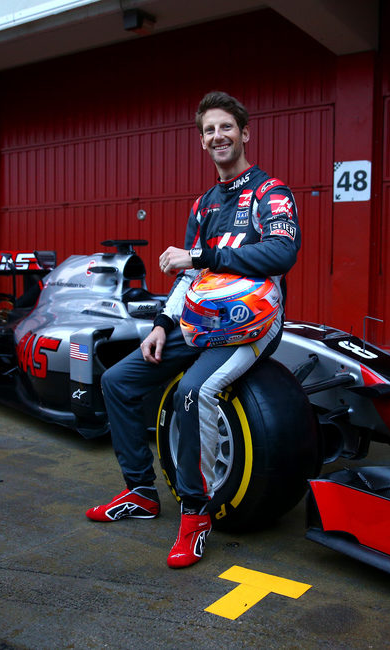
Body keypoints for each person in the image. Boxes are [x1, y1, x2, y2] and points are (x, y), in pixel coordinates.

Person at [86, 91, 301, 568]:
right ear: (202, 142)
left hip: (252, 325)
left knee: (192, 391)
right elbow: (189, 277)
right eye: (209, 130)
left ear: (244, 133)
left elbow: (281, 255)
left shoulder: (271, 193)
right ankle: (141, 492)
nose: (218, 136)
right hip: (197, 321)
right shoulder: (204, 205)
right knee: (117, 382)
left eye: (226, 127)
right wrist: (163, 323)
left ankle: (196, 515)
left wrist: (201, 256)